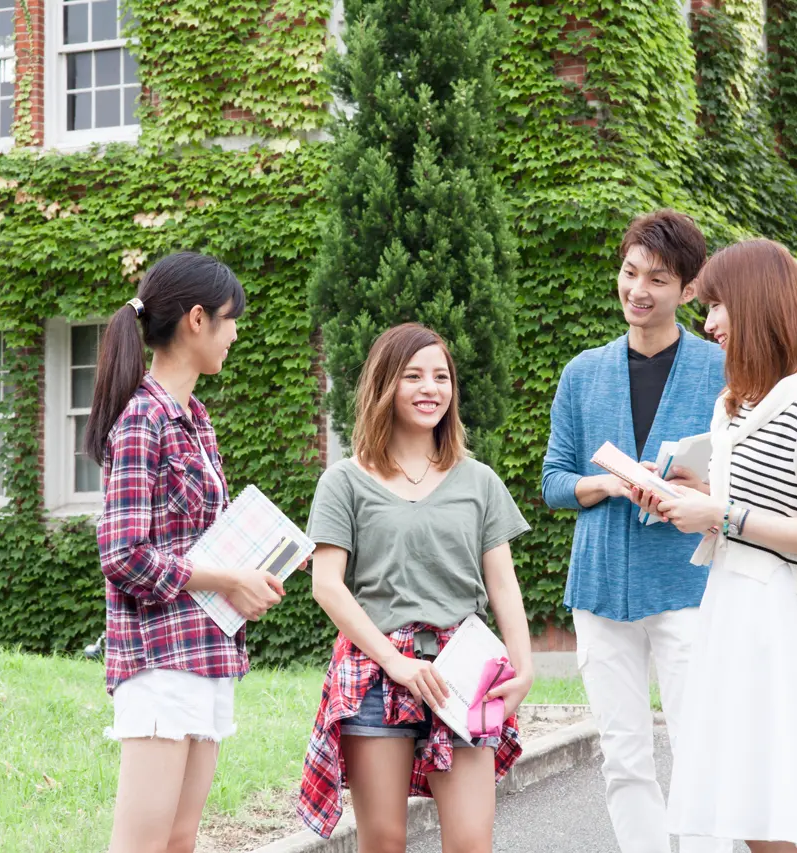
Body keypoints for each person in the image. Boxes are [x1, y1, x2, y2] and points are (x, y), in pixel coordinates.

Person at [634, 239, 797, 852]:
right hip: (729, 606)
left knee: (771, 815)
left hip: (773, 620)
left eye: (719, 306)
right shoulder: (733, 406)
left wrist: (720, 513)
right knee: (743, 811)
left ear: (755, 305)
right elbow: (751, 507)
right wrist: (689, 499)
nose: (708, 324)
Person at [297, 323, 534, 852]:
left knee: (472, 842)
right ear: (385, 385)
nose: (430, 388)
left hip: (463, 671)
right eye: (413, 376)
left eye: (441, 377)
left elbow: (503, 582)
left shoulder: (478, 480)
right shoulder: (344, 481)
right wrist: (395, 663)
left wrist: (524, 666)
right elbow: (328, 587)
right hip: (375, 672)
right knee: (383, 841)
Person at [540, 209, 730, 853]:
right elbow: (553, 480)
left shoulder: (719, 370)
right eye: (629, 272)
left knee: (699, 746)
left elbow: (743, 473)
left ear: (687, 289)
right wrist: (606, 485)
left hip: (688, 584)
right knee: (623, 756)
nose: (638, 289)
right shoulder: (582, 373)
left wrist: (686, 488)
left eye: (657, 278)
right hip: (600, 586)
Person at [88, 251, 287, 853]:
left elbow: (192, 542)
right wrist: (228, 579)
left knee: (180, 840)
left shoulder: (194, 418)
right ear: (197, 320)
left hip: (204, 652)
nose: (235, 334)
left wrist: (244, 583)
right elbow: (123, 555)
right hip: (157, 662)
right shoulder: (142, 420)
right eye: (230, 319)